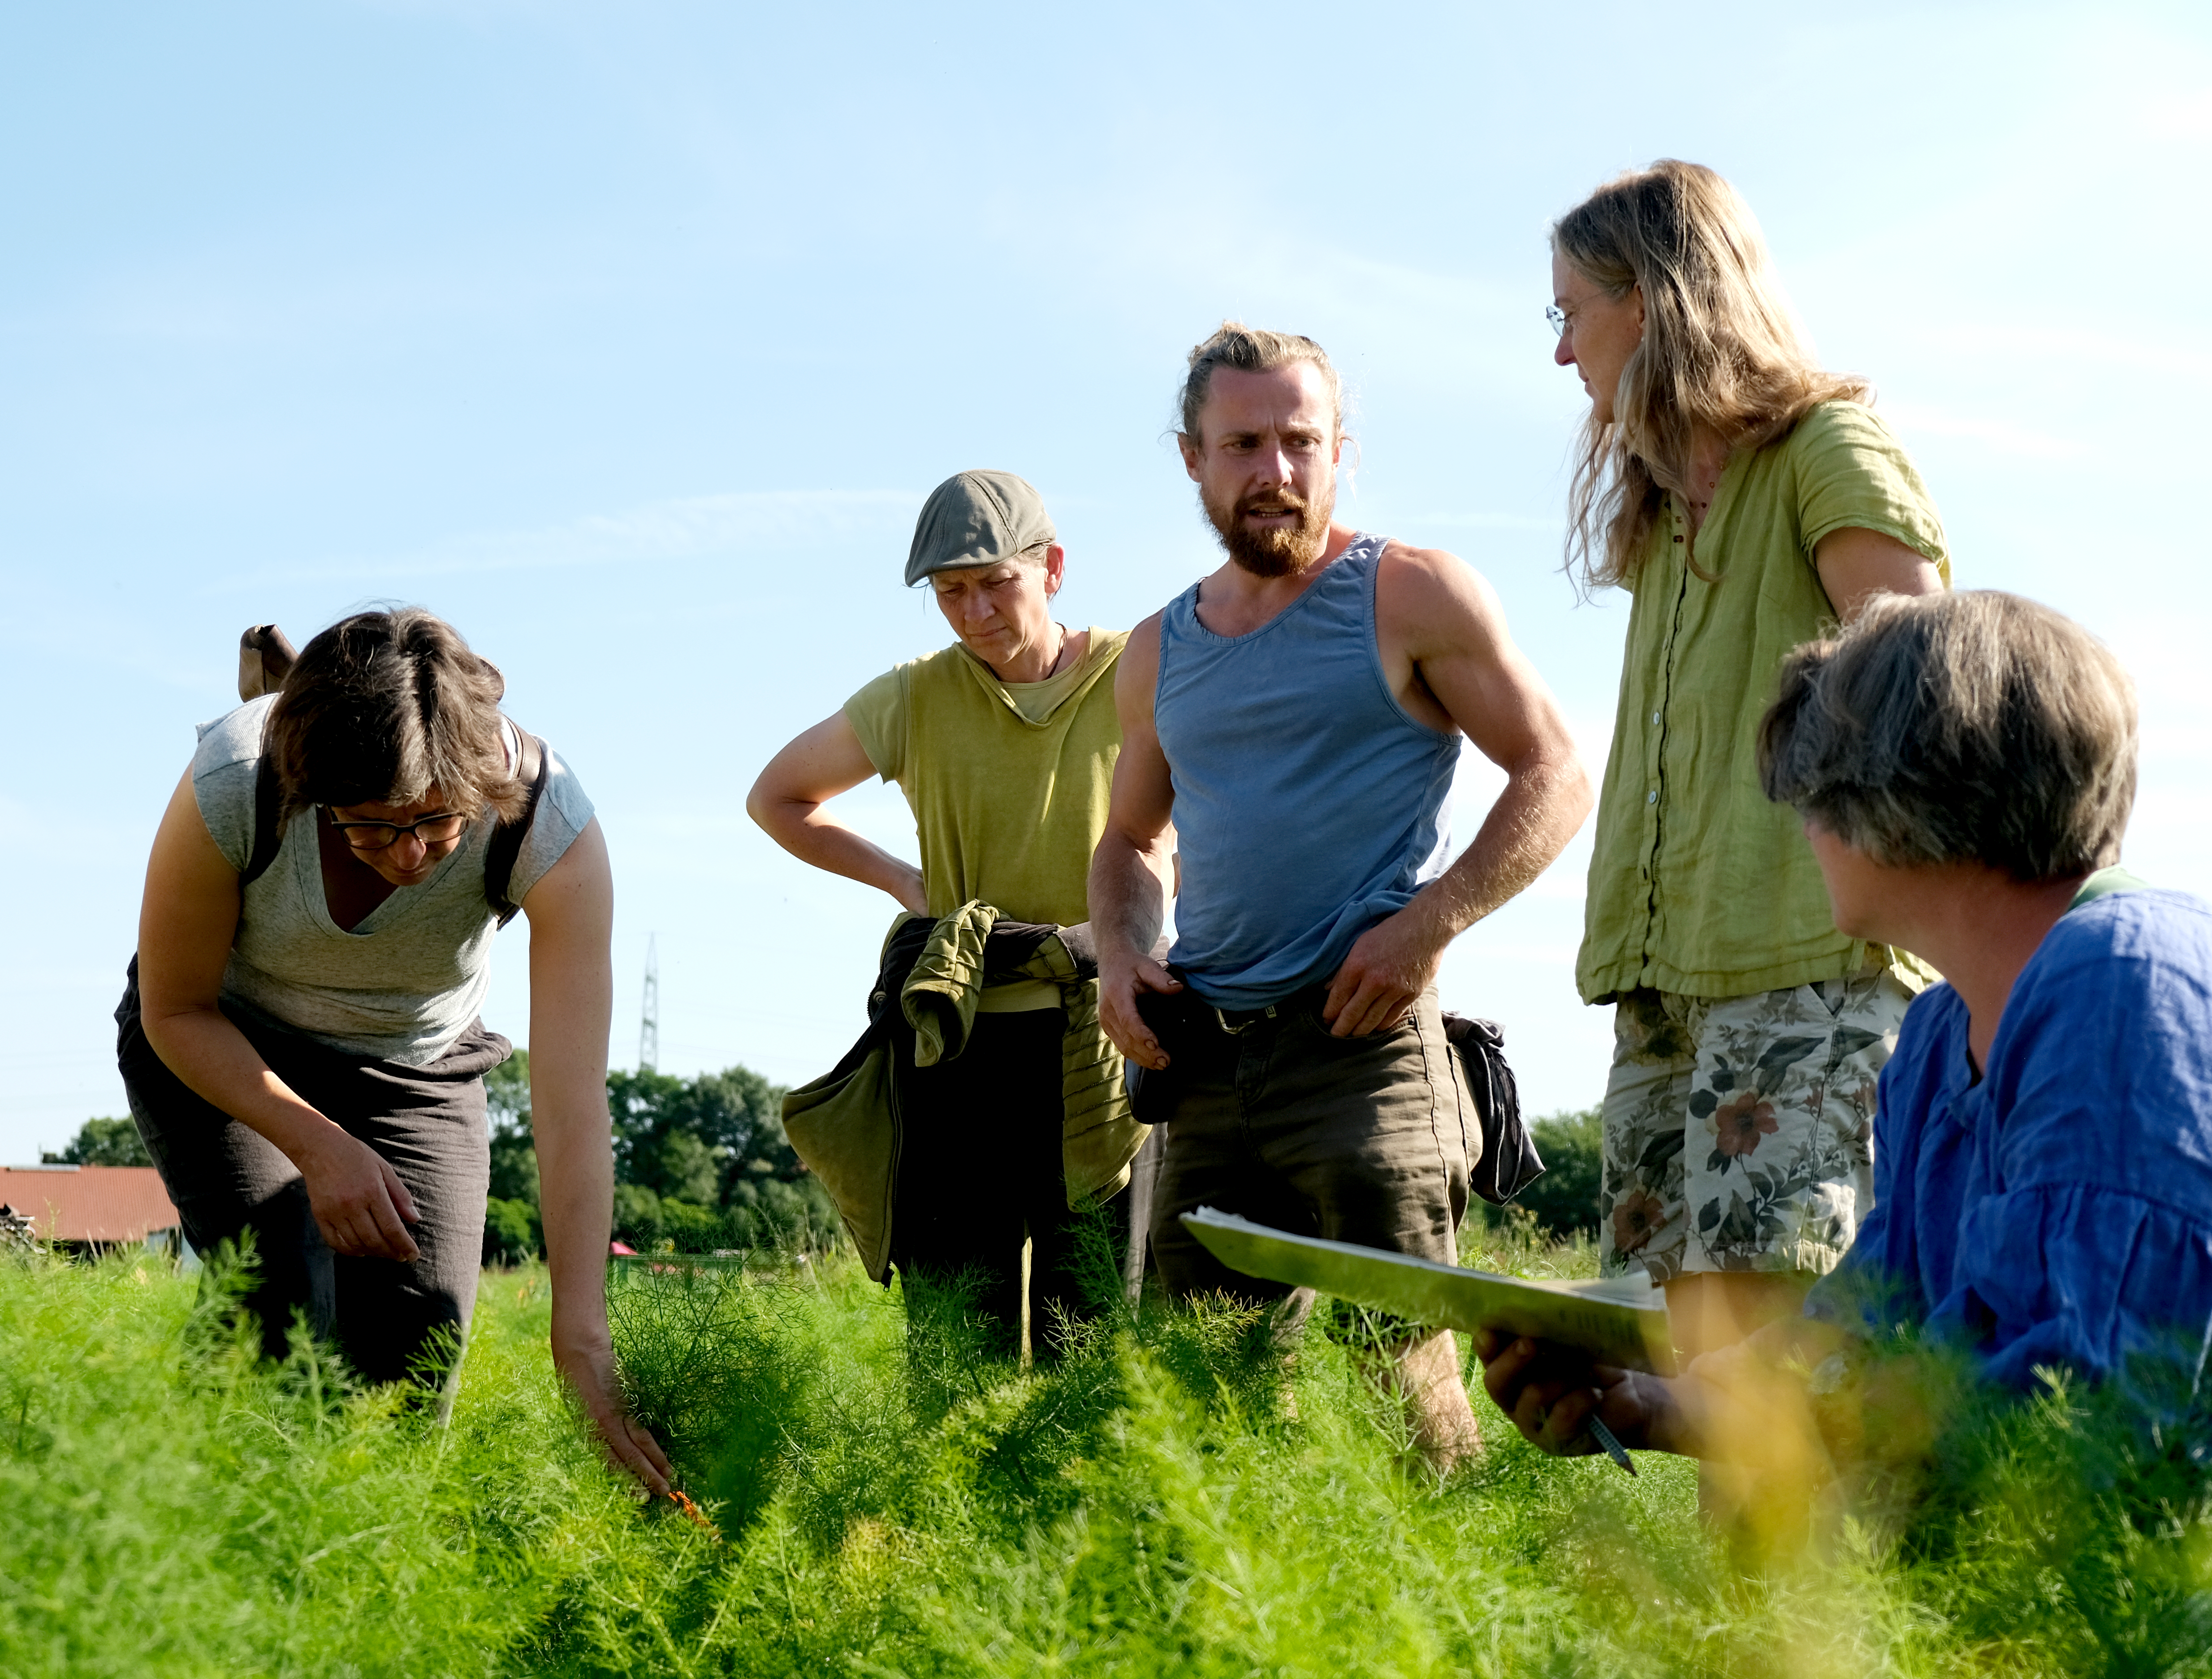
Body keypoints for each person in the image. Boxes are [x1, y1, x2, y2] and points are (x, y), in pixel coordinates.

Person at [1478, 591, 2212, 1491]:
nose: (1802, 825)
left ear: (1898, 799)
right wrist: (1657, 1403)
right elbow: (1867, 1330)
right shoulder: (1931, 1042)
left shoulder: (2128, 983)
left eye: (1812, 789)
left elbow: (2105, 1411)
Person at [1093, 323, 1593, 1468]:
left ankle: (1460, 1628)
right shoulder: (1158, 649)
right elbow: (1129, 839)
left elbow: (1557, 772)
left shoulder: (1410, 593)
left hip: (1362, 1044)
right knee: (1196, 1403)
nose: (1274, 471)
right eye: (1243, 444)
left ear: (1339, 451)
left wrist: (1428, 927)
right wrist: (1123, 957)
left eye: (1299, 442)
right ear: (1192, 459)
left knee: (1405, 1380)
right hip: (1205, 1063)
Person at [1550, 160, 1952, 1365]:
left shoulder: (1825, 446)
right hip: (1663, 975)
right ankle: (1744, 1572)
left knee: (1777, 1361)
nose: (1562, 354)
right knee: (1690, 1362)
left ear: (1658, 299)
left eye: (1572, 312)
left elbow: (1923, 700)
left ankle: (1812, 1570)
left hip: (1807, 965)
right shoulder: (1663, 516)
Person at [123, 608, 670, 1493]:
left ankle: (356, 1595)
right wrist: (317, 1143)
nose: (412, 855)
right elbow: (175, 1009)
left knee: (415, 1362)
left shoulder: (545, 821)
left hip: (417, 1065)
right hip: (224, 1038)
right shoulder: (234, 778)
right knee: (279, 1278)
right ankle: (197, 1555)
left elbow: (572, 1110)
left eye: (437, 824)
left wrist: (582, 1340)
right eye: (373, 829)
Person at [750, 470, 1145, 1360]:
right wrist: (900, 879)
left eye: (995, 583)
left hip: (1105, 1036)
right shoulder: (915, 696)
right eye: (949, 593)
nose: (974, 614)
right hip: (955, 1041)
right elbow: (777, 798)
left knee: (1095, 1346)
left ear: (1052, 567)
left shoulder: (1138, 671)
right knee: (954, 1350)